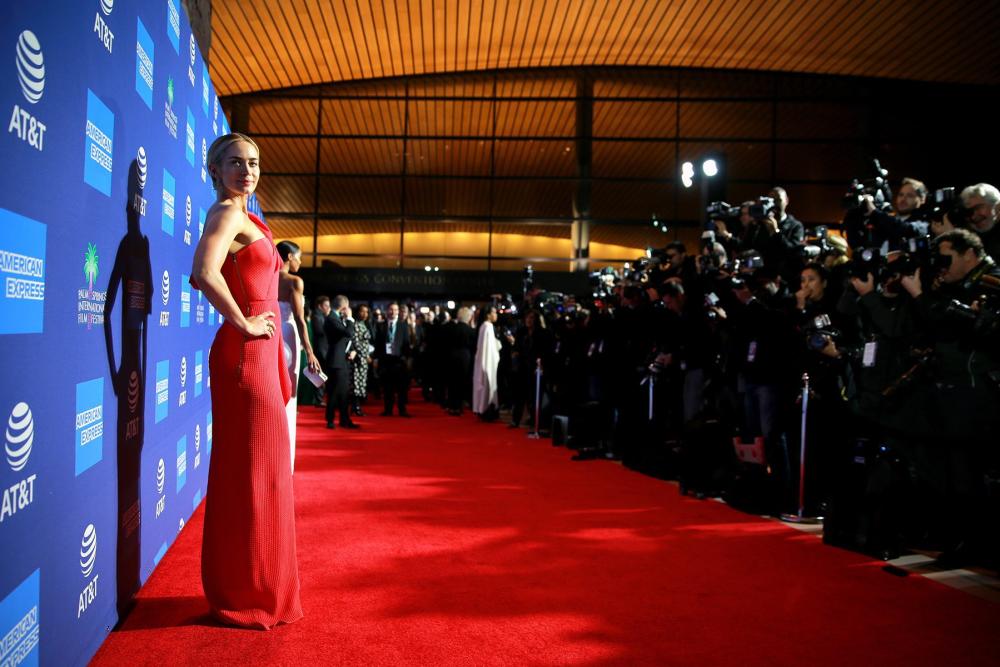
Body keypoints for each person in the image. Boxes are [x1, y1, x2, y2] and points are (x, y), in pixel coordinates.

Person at [190, 132, 302, 628]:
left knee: (265, 473)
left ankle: (261, 584)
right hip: (245, 355)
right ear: (215, 169)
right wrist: (244, 322)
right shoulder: (226, 215)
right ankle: (245, 590)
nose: (247, 171)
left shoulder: (252, 217)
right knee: (251, 474)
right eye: (235, 162)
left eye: (253, 163)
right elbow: (202, 272)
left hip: (264, 354)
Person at [276, 240, 319, 471]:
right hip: (289, 337)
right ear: (289, 257)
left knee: (274, 391)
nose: (300, 262)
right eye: (299, 257)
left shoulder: (267, 276)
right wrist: (310, 351)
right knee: (288, 396)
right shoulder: (294, 281)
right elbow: (301, 320)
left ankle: (272, 453)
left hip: (270, 336)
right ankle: (285, 460)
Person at [324, 295, 359, 429]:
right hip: (335, 361)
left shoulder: (336, 318)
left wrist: (352, 350)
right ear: (344, 306)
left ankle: (344, 419)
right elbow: (348, 333)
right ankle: (331, 420)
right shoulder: (332, 318)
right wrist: (350, 318)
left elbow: (344, 339)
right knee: (334, 392)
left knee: (343, 391)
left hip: (341, 360)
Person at [374, 302, 413, 416]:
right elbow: (378, 344)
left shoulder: (403, 326)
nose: (393, 312)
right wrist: (376, 359)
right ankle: (388, 409)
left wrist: (408, 358)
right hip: (385, 361)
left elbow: (406, 343)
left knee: (401, 388)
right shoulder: (381, 325)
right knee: (387, 387)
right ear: (387, 311)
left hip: (399, 361)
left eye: (396, 310)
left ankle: (402, 410)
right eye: (391, 309)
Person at [472, 305, 502, 421]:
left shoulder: (484, 327)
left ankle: (485, 409)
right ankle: (487, 410)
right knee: (487, 388)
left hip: (486, 363)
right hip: (488, 364)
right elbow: (488, 349)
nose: (496, 315)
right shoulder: (487, 327)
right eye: (494, 312)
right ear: (488, 315)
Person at [350, 303, 373, 416]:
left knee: (361, 383)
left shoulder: (364, 324)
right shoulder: (355, 325)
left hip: (363, 359)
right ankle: (356, 406)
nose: (365, 314)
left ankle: (356, 406)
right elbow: (356, 342)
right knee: (356, 383)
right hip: (358, 359)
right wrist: (365, 355)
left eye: (367, 312)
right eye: (362, 311)